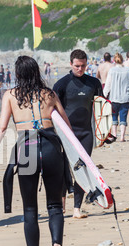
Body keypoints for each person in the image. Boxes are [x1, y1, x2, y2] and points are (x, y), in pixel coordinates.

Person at [0, 55, 73, 246]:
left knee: (30, 209)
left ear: (18, 74)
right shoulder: (49, 94)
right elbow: (67, 127)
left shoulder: (10, 96)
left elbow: (1, 128)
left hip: (27, 149)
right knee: (54, 205)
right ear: (36, 72)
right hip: (51, 148)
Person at [52, 49, 103, 219]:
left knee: (82, 169)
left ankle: (76, 209)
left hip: (86, 133)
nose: (80, 69)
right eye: (76, 66)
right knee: (62, 170)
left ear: (86, 64)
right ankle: (61, 205)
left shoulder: (94, 83)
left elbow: (102, 108)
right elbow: (53, 112)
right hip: (66, 134)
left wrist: (104, 132)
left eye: (82, 66)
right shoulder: (61, 84)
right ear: (70, 64)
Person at [103, 53, 129, 142]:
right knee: (123, 116)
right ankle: (122, 137)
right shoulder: (128, 70)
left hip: (114, 97)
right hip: (125, 97)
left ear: (114, 60)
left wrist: (104, 94)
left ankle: (114, 135)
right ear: (122, 60)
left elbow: (108, 84)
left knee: (114, 116)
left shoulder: (112, 70)